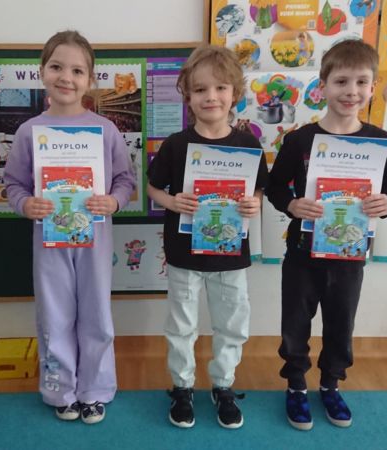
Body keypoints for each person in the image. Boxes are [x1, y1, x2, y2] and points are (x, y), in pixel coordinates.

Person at [267, 39, 387, 431]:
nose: (351, 91)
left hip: (349, 254)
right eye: (341, 81)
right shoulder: (299, 140)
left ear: (373, 88)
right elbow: (275, 188)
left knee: (341, 323)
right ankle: (296, 384)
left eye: (361, 82)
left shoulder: (380, 142)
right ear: (323, 86)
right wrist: (292, 205)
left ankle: (330, 383)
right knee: (296, 321)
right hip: (302, 252)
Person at [2, 30, 136, 425]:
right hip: (49, 239)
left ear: (90, 79)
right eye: (57, 67)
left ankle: (94, 389)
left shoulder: (105, 130)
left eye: (77, 71)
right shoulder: (29, 131)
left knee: (97, 315)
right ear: (42, 71)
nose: (66, 77)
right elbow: (13, 184)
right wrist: (26, 204)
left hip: (95, 239)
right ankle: (60, 389)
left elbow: (125, 180)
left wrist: (114, 201)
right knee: (54, 315)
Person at [146, 44, 267, 430]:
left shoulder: (248, 144)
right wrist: (172, 201)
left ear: (235, 93)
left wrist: (254, 203)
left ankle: (223, 385)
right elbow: (152, 188)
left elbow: (258, 189)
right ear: (188, 96)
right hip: (184, 254)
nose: (210, 97)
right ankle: (182, 386)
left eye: (220, 88)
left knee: (232, 323)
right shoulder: (177, 144)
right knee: (181, 325)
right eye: (200, 89)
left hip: (230, 254)